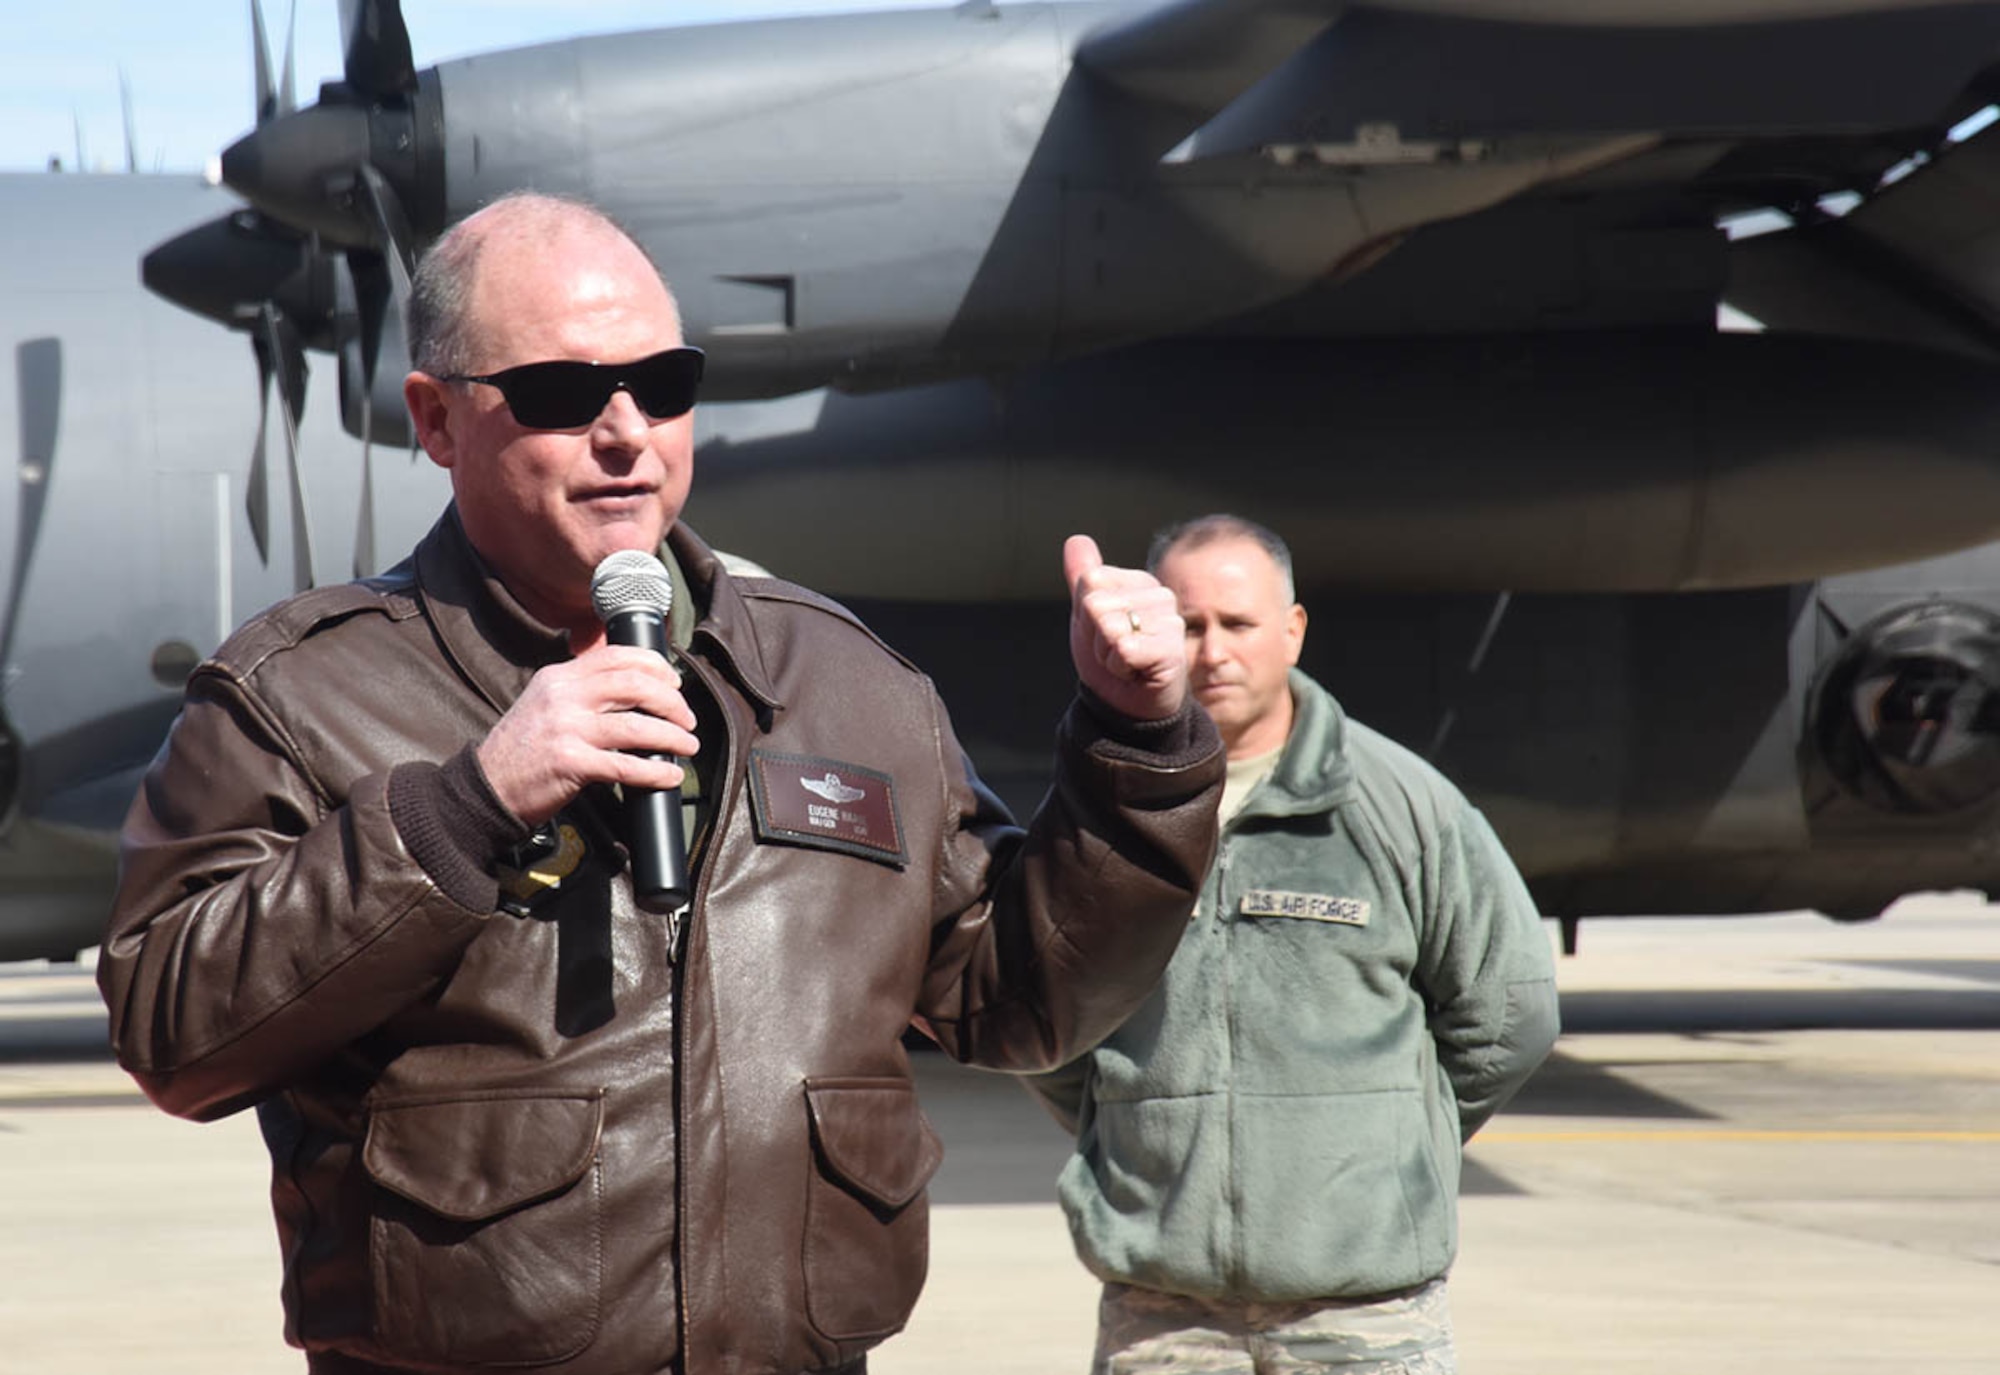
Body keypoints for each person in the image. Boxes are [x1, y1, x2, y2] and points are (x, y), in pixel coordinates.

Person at [97, 192, 1224, 1375]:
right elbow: (175, 1032)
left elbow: (1017, 995)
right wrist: (464, 808)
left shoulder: (849, 682)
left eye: (663, 381)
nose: (627, 429)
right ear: (435, 421)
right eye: (562, 393)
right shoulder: (298, 694)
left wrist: (1135, 748)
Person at [1023, 514, 1559, 1374]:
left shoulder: (1402, 808)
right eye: (1188, 624)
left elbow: (1512, 1011)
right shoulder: (1104, 811)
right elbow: (1039, 1005)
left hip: (1362, 1317)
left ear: (1293, 631)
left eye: (1237, 623)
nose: (1212, 651)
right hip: (1164, 1317)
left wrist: (1390, 1133)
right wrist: (1121, 1126)